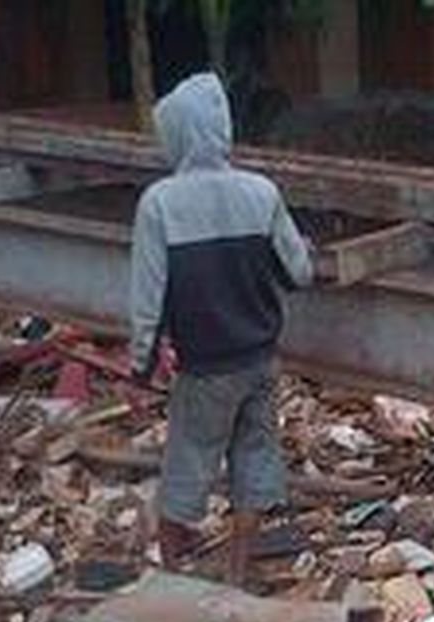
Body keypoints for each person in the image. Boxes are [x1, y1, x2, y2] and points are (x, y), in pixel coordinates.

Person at [128, 72, 314, 584]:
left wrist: (139, 371)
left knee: (187, 470)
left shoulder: (160, 204)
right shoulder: (262, 192)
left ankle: (171, 576)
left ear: (178, 133)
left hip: (205, 369)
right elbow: (298, 273)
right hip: (260, 361)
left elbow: (148, 298)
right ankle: (237, 578)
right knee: (254, 465)